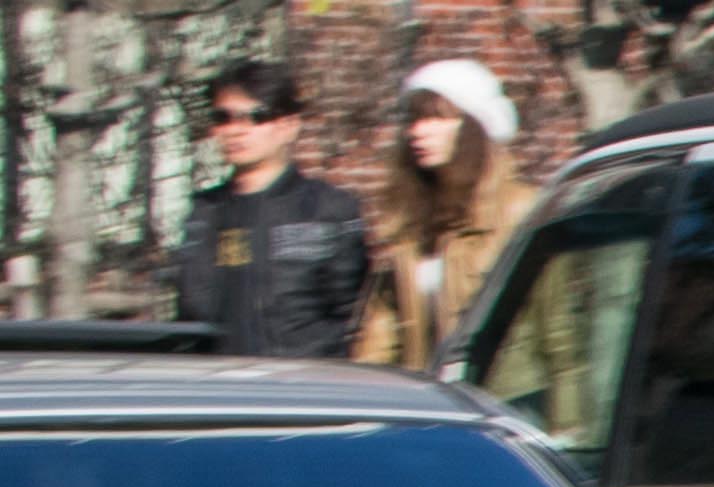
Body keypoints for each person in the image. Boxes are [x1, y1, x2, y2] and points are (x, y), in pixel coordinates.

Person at [172, 59, 367, 358]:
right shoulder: (205, 212)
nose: (234, 131)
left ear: (288, 126)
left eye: (254, 117)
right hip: (218, 386)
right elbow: (191, 313)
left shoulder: (328, 210)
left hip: (305, 389)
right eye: (223, 118)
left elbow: (357, 319)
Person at [352, 61, 536, 371]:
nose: (418, 132)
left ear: (475, 126)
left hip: (503, 399)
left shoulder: (520, 210)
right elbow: (384, 330)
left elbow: (558, 331)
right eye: (414, 119)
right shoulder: (408, 220)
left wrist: (565, 417)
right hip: (430, 401)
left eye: (437, 118)